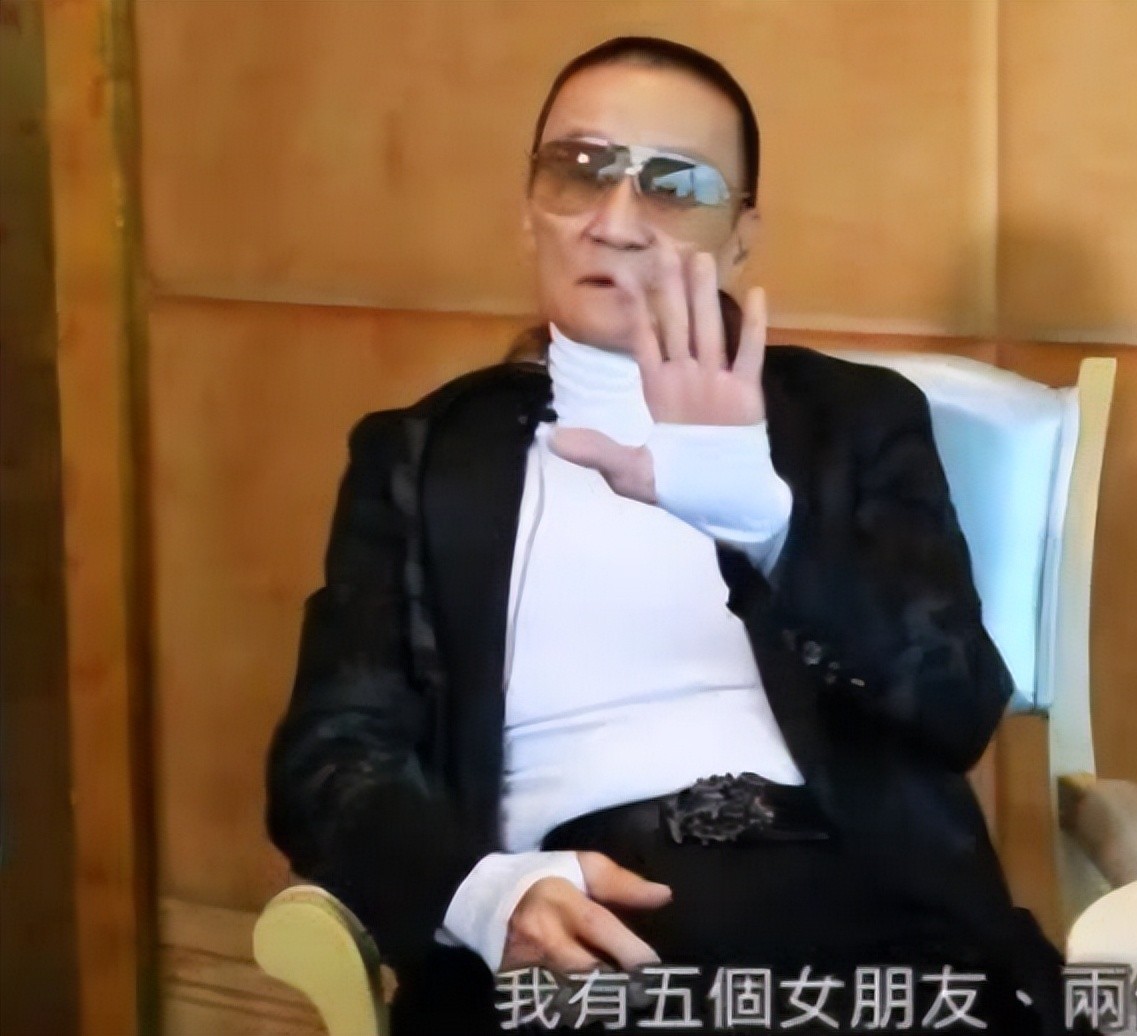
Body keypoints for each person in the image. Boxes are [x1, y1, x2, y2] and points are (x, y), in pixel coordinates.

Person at [266, 35, 1086, 1036]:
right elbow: (328, 758)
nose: (615, 222)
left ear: (740, 236)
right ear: (528, 209)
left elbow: (956, 707)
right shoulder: (419, 457)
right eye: (578, 169)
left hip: (870, 913)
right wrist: (482, 894)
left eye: (674, 184)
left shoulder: (850, 420)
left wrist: (772, 534)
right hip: (583, 936)